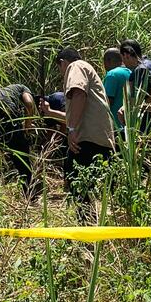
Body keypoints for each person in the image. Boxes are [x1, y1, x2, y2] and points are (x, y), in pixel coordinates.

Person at [41, 48, 115, 222]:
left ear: (63, 63)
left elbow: (79, 95)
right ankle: (92, 229)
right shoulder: (86, 69)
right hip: (98, 139)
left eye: (60, 69)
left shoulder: (75, 66)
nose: (62, 73)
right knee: (86, 188)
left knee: (78, 185)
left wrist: (72, 130)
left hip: (87, 140)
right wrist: (50, 112)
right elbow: (75, 114)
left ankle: (87, 233)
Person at [0, 83, 39, 199]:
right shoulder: (24, 88)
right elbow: (29, 103)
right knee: (21, 156)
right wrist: (27, 126)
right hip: (7, 110)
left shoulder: (6, 90)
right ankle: (30, 195)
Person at [101, 47, 132, 132]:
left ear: (108, 60)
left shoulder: (112, 74)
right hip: (129, 125)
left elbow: (107, 101)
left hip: (115, 126)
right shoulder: (130, 72)